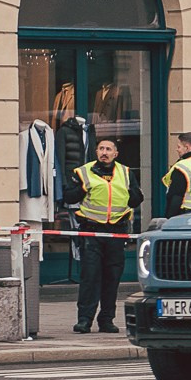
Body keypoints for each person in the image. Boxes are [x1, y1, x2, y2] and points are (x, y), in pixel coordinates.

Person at [68, 136, 134, 334]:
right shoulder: (84, 172)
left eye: (108, 149)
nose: (104, 152)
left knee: (112, 277)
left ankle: (106, 319)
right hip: (92, 230)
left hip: (116, 230)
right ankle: (84, 320)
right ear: (96, 152)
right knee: (90, 277)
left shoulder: (125, 172)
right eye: (101, 149)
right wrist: (80, 190)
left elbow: (136, 197)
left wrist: (133, 197)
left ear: (116, 153)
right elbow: (69, 196)